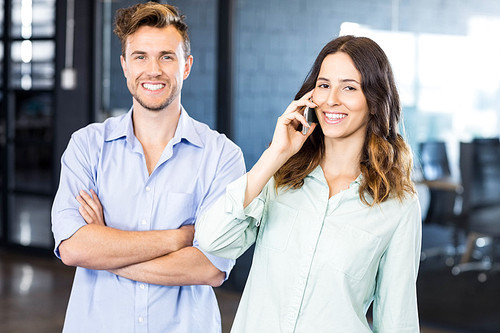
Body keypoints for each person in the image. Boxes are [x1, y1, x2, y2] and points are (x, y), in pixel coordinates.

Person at [196, 35, 422, 332]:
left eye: (349, 88)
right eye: (324, 85)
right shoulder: (281, 176)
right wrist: (275, 154)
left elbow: (397, 318)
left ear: (375, 100)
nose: (331, 100)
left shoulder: (398, 205)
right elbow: (214, 240)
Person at [51, 2, 245, 332]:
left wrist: (107, 250)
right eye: (140, 56)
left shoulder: (222, 156)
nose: (152, 69)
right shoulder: (87, 146)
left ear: (186, 66)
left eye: (166, 56)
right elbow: (74, 247)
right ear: (125, 66)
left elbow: (209, 267)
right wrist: (177, 240)